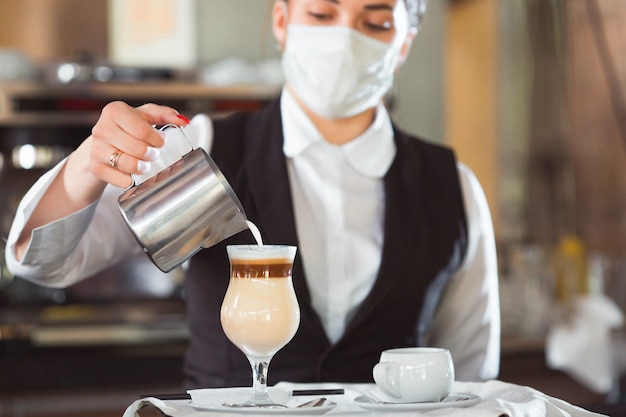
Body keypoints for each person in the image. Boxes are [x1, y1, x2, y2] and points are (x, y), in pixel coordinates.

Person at [5, 0, 500, 389]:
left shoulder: (452, 186)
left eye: (374, 23)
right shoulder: (203, 147)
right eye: (322, 14)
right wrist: (86, 165)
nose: (344, 39)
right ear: (282, 21)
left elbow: (470, 373)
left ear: (405, 44)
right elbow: (42, 263)